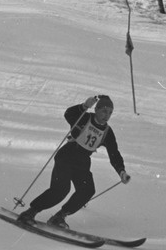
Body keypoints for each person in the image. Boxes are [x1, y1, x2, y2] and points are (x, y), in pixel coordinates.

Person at [18, 95, 131, 229]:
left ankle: (59, 217)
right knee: (60, 190)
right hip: (67, 156)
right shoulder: (84, 117)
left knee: (87, 190)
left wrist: (121, 171)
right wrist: (84, 106)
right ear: (97, 110)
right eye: (104, 111)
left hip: (82, 162)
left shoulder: (107, 131)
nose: (107, 115)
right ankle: (29, 213)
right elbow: (68, 114)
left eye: (110, 113)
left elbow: (114, 154)